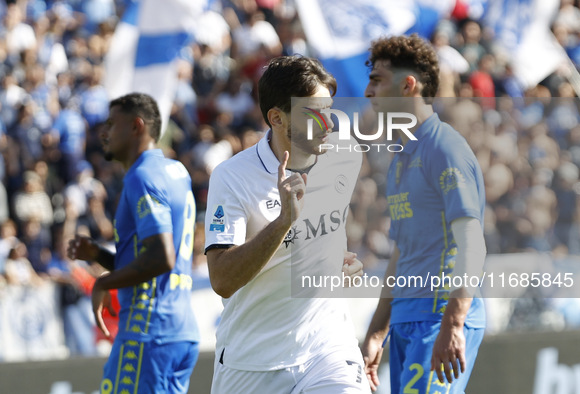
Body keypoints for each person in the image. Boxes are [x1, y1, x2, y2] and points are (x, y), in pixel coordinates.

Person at [204, 55, 370, 393]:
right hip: (252, 362)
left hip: (328, 347)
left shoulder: (341, 156)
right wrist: (283, 222)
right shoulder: (232, 177)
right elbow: (222, 279)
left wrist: (339, 262)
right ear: (277, 118)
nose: (328, 124)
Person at [361, 35, 487, 393]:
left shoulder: (445, 149)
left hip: (438, 318)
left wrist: (454, 324)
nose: (368, 92)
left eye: (377, 80)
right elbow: (400, 255)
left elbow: (472, 245)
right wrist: (376, 333)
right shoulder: (400, 159)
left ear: (408, 85)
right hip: (406, 321)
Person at [67, 93, 199, 394]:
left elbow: (161, 258)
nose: (104, 133)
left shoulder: (142, 176)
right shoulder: (176, 172)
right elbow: (154, 263)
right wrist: (99, 254)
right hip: (179, 332)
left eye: (112, 124)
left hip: (148, 332)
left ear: (137, 126)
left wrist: (103, 283)